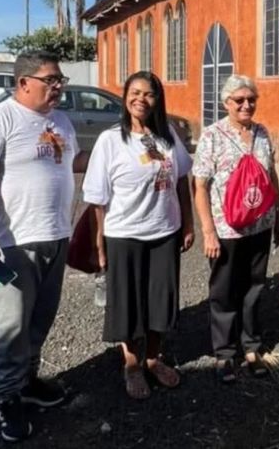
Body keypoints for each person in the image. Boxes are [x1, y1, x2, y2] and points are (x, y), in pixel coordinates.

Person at [0, 50, 89, 443]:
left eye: (60, 79)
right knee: (12, 326)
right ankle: (7, 396)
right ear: (23, 82)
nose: (59, 85)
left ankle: (28, 381)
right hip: (12, 245)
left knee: (42, 316)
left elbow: (74, 160)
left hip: (55, 236)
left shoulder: (60, 121)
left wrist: (117, 155)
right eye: (51, 79)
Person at [82, 71, 194, 400]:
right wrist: (98, 243)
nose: (141, 99)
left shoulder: (167, 135)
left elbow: (182, 181)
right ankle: (131, 364)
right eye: (135, 92)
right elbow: (97, 198)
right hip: (124, 234)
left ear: (157, 100)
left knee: (161, 300)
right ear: (125, 96)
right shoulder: (110, 140)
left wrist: (187, 224)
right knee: (129, 303)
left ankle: (153, 359)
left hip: (164, 232)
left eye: (149, 94)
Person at [192, 74, 279, 383]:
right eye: (239, 100)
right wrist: (207, 231)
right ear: (226, 103)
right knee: (224, 290)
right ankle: (224, 352)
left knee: (254, 287)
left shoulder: (262, 132)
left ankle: (250, 348)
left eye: (251, 99)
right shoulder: (212, 135)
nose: (246, 105)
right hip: (226, 230)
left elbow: (270, 174)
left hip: (260, 226)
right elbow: (201, 185)